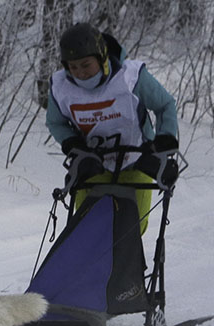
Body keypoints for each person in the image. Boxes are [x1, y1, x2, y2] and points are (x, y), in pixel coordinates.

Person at [46, 22, 179, 233]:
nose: (79, 73)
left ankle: (126, 265)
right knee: (87, 229)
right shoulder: (60, 87)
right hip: (94, 164)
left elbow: (165, 105)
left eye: (86, 64)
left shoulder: (130, 77)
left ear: (101, 57)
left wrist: (164, 140)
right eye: (73, 67)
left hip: (136, 161)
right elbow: (55, 122)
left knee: (131, 230)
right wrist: (73, 144)